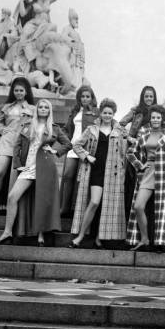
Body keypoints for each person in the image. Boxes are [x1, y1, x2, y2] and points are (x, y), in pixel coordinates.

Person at [0, 99, 71, 245]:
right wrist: (18, 165)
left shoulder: (54, 128)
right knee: (12, 197)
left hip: (46, 167)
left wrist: (55, 151)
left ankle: (41, 235)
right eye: (40, 107)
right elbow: (16, 146)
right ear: (36, 110)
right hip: (28, 167)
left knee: (41, 201)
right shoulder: (27, 125)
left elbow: (68, 144)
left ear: (49, 111)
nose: (42, 109)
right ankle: (7, 232)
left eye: (45, 107)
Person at [69, 98, 127, 248]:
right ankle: (80, 236)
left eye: (110, 113)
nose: (107, 115)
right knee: (94, 202)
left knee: (107, 206)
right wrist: (87, 156)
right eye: (105, 112)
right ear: (100, 113)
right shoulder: (91, 129)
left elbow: (125, 151)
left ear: (114, 114)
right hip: (95, 170)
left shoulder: (120, 131)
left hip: (112, 174)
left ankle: (99, 238)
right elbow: (76, 145)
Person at [126, 104, 165, 251]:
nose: (155, 119)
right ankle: (144, 238)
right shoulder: (144, 133)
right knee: (138, 206)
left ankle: (159, 243)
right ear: (150, 119)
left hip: (164, 174)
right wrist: (139, 165)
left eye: (158, 117)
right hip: (148, 173)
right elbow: (130, 153)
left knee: (161, 209)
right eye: (153, 117)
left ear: (162, 118)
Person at [0, 77, 35, 215]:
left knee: (13, 177)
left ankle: (10, 207)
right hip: (7, 141)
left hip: (21, 143)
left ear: (26, 91)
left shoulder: (33, 109)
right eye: (16, 90)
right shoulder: (7, 107)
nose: (18, 93)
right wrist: (1, 129)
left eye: (21, 90)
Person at [60, 85, 99, 217]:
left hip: (85, 149)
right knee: (67, 175)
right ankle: (64, 207)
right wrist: (63, 139)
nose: (85, 99)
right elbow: (66, 128)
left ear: (92, 98)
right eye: (82, 96)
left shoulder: (96, 112)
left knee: (81, 180)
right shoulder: (75, 110)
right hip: (72, 147)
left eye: (88, 96)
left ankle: (76, 210)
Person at [120, 85, 159, 216]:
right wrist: (129, 137)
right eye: (146, 96)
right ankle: (130, 215)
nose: (149, 98)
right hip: (136, 150)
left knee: (149, 183)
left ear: (154, 98)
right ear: (142, 97)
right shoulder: (136, 111)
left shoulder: (157, 113)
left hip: (152, 151)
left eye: (151, 96)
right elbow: (120, 125)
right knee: (133, 182)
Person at [15, 0, 63, 69]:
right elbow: (23, 13)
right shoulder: (33, 3)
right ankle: (18, 57)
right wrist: (21, 1)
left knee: (54, 29)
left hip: (45, 25)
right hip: (34, 24)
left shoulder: (48, 0)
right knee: (24, 35)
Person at [61, 8, 86, 89]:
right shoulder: (67, 28)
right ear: (70, 19)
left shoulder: (77, 33)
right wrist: (72, 42)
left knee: (78, 78)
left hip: (78, 61)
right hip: (71, 58)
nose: (77, 21)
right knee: (72, 78)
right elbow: (63, 37)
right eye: (75, 19)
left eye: (77, 19)